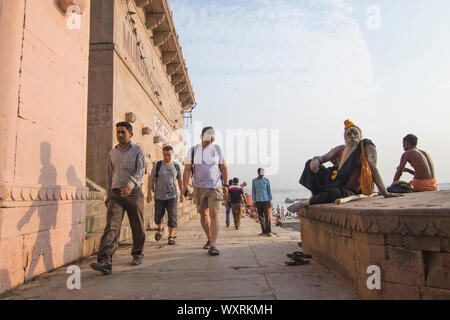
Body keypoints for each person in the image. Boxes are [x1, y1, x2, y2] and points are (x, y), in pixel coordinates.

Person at [288, 120, 399, 213]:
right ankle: (315, 196)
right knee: (309, 163)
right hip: (334, 184)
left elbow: (373, 167)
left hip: (349, 191)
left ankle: (306, 202)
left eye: (355, 134)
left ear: (360, 136)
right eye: (349, 134)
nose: (352, 136)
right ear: (345, 138)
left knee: (336, 194)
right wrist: (316, 160)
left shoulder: (366, 147)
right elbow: (323, 158)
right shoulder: (340, 149)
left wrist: (384, 192)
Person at [91, 122, 146, 275]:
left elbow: (141, 171)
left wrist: (130, 185)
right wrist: (108, 194)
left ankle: (137, 253)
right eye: (118, 132)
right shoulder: (112, 153)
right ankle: (104, 261)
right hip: (116, 194)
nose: (120, 135)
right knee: (111, 227)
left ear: (131, 134)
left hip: (133, 193)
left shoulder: (138, 151)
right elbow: (109, 174)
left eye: (123, 132)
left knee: (137, 226)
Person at [183, 127, 228, 256]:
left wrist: (225, 185)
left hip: (215, 187)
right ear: (201, 136)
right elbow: (187, 169)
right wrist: (185, 185)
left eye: (212, 136)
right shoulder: (192, 151)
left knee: (213, 213)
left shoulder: (217, 150)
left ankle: (213, 245)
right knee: (203, 215)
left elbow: (224, 168)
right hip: (199, 188)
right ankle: (209, 237)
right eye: (207, 135)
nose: (210, 138)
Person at [147, 146, 184, 245]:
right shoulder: (158, 165)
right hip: (159, 196)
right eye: (165, 155)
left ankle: (171, 236)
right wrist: (149, 193)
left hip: (172, 196)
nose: (167, 157)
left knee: (172, 216)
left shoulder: (176, 166)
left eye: (169, 155)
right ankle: (159, 228)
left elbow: (180, 180)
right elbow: (151, 179)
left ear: (172, 154)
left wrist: (182, 193)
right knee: (158, 215)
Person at [252, 168, 273, 237]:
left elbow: (269, 191)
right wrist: (254, 201)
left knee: (267, 217)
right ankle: (263, 231)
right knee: (260, 217)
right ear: (257, 172)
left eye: (262, 172)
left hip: (266, 200)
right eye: (260, 172)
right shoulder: (254, 181)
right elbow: (253, 191)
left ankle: (268, 231)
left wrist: (270, 200)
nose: (261, 173)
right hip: (258, 201)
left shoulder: (266, 180)